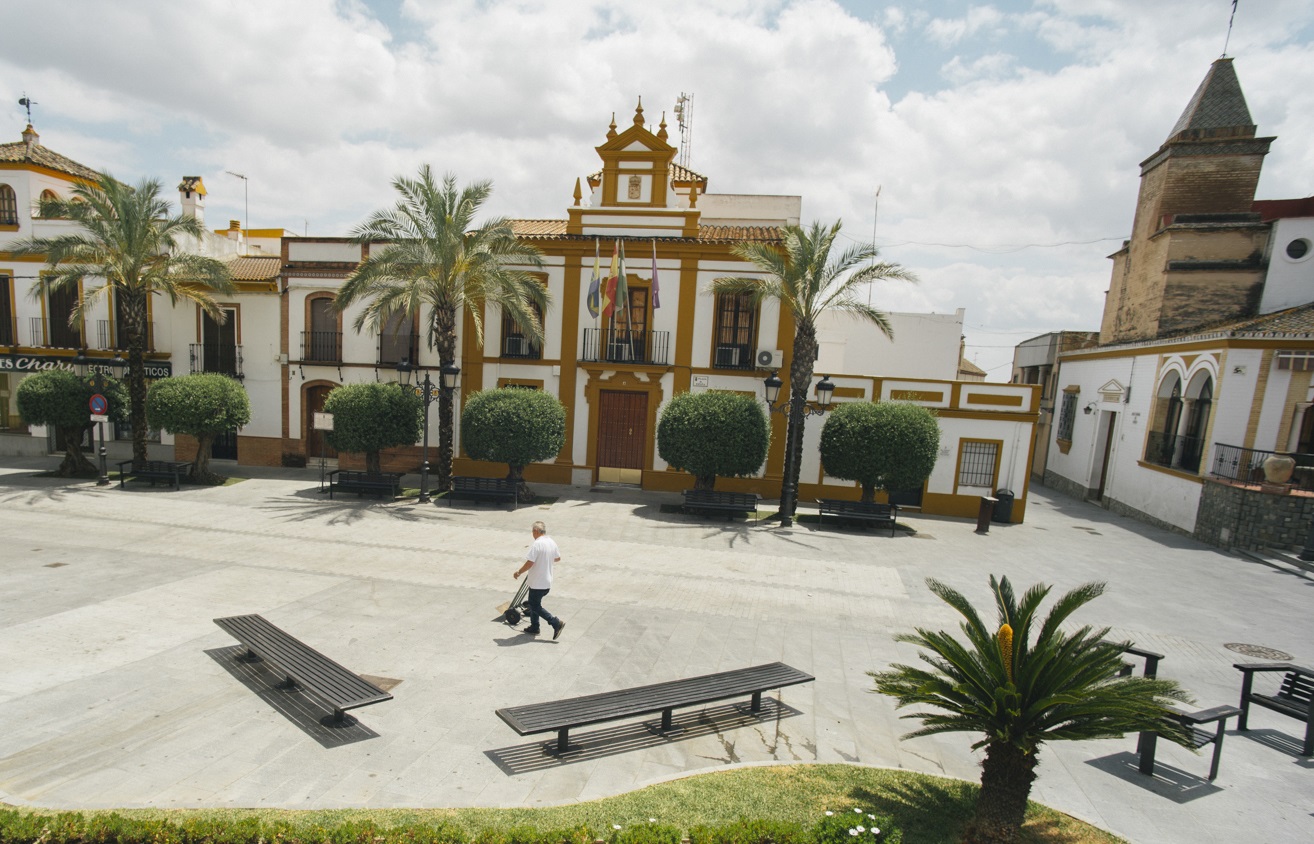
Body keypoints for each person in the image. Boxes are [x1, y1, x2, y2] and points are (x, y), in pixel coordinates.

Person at [513, 520, 565, 639]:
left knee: (534, 605)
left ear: (536, 531)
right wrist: (545, 559)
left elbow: (530, 562)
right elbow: (557, 558)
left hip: (538, 582)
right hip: (546, 581)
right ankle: (534, 627)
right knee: (534, 603)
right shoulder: (551, 542)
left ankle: (555, 622)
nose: (532, 534)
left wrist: (519, 572)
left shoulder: (537, 544)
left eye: (532, 532)